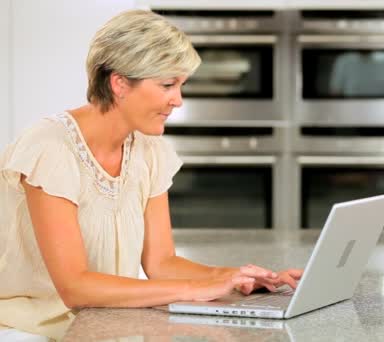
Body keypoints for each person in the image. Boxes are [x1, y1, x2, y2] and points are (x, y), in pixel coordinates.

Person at [0, 9, 302, 341]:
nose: (178, 101)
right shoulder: (50, 149)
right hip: (30, 328)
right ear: (119, 83)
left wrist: (239, 278)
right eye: (167, 85)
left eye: (181, 85)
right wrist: (197, 289)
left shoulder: (148, 150)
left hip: (104, 321)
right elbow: (75, 287)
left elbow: (161, 261)